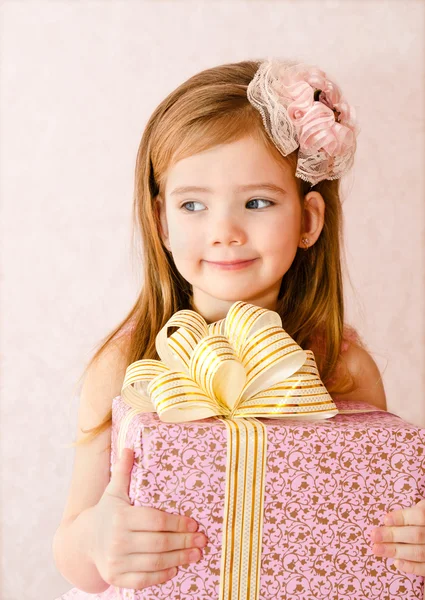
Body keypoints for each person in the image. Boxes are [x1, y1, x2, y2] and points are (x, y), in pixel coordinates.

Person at [52, 58, 425, 598]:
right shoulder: (125, 363)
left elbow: (376, 528)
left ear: (308, 219)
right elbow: (74, 557)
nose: (224, 231)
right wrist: (95, 542)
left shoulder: (341, 366)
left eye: (256, 202)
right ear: (161, 222)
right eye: (193, 205)